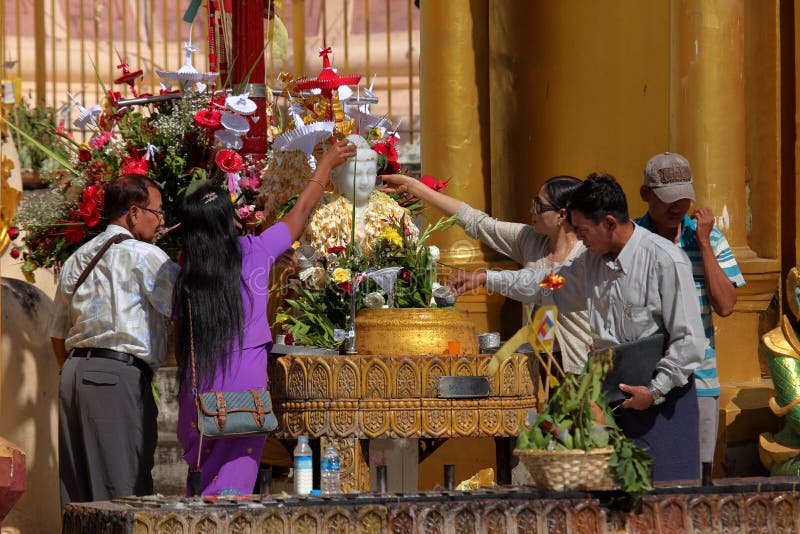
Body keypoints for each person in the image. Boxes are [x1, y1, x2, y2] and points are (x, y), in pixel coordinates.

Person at [450, 173, 706, 481]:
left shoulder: (665, 260)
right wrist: (487, 278)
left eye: (583, 230)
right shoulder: (589, 264)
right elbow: (546, 283)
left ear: (609, 223)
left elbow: (689, 341)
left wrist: (655, 390)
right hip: (611, 400)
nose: (579, 239)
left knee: (668, 503)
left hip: (663, 401)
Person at [174, 139, 356, 496]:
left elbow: (181, 340)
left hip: (198, 393)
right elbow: (301, 211)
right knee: (236, 484)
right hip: (246, 393)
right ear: (230, 221)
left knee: (202, 482)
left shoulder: (187, 275)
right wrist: (325, 166)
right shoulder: (254, 251)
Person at [49, 174, 179, 505]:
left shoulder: (77, 257)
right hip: (115, 377)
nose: (161, 223)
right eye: (158, 212)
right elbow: (186, 306)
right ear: (135, 213)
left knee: (78, 494)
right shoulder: (146, 256)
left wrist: (81, 373)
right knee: (122, 492)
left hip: (72, 376)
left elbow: (57, 333)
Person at [380, 174, 591, 374]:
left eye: (539, 205)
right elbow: (477, 223)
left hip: (578, 368)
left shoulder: (585, 255)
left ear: (562, 215)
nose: (532, 210)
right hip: (536, 364)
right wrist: (416, 187)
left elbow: (543, 283)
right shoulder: (531, 240)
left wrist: (485, 277)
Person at [635, 152, 744, 484]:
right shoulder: (634, 239)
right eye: (668, 199)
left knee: (699, 479)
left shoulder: (706, 236)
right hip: (646, 377)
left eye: (683, 198)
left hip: (700, 378)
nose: (677, 206)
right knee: (646, 477)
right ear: (645, 194)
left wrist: (704, 244)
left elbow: (725, 305)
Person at [303, 135, 419, 255]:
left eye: (370, 173)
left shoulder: (391, 210)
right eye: (356, 174)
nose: (364, 181)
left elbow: (410, 248)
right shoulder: (324, 214)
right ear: (335, 177)